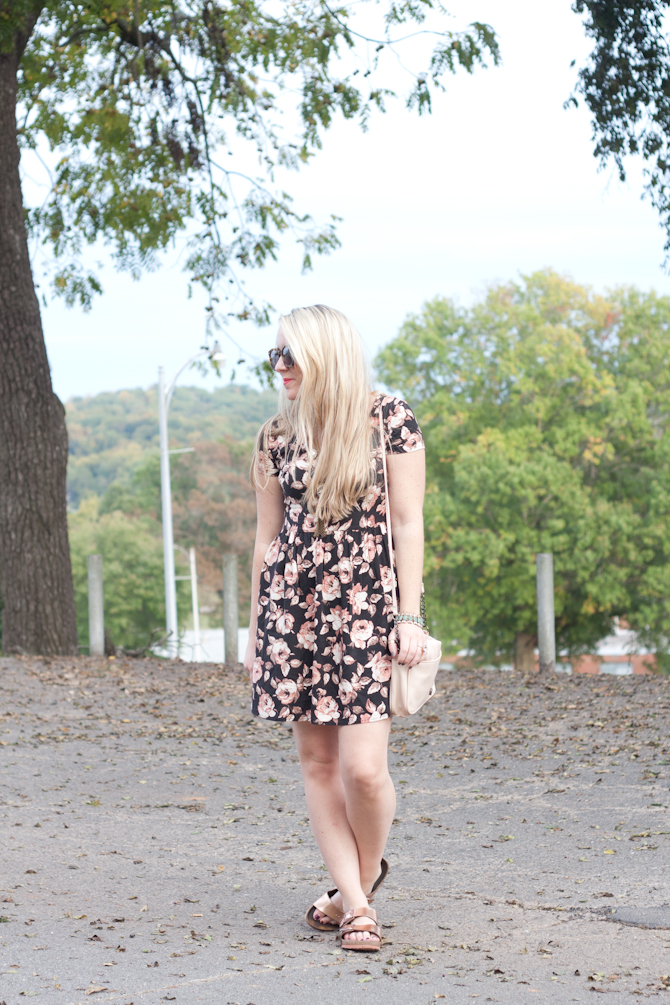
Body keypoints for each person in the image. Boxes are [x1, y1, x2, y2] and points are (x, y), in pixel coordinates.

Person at [244, 304, 426, 950]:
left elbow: (407, 522)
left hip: (368, 616)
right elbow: (267, 540)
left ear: (326, 355)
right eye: (275, 355)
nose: (281, 366)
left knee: (365, 771)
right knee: (318, 764)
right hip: (293, 617)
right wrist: (255, 631)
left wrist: (409, 613)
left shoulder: (388, 421)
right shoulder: (274, 436)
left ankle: (366, 873)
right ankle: (356, 907)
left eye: (291, 354)